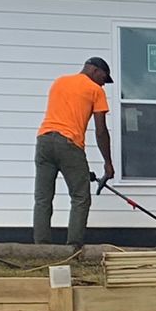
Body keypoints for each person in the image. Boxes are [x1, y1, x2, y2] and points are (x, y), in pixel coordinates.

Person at [35, 57, 114, 247]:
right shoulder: (96, 90)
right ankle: (74, 247)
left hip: (44, 140)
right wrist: (108, 164)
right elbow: (101, 130)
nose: (105, 82)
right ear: (95, 70)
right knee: (80, 197)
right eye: (105, 77)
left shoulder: (59, 82)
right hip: (69, 143)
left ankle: (41, 248)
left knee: (43, 198)